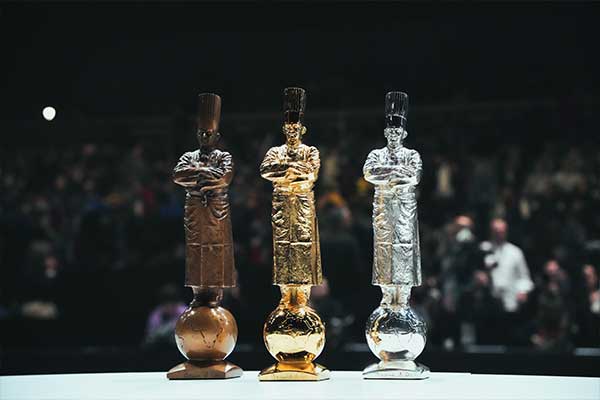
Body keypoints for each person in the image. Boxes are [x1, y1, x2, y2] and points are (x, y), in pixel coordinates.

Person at [480, 218, 534, 313]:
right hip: (486, 300)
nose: (498, 234)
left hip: (509, 300)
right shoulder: (483, 249)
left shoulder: (515, 252)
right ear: (491, 231)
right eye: (496, 231)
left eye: (501, 231)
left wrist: (522, 291)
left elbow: (524, 277)